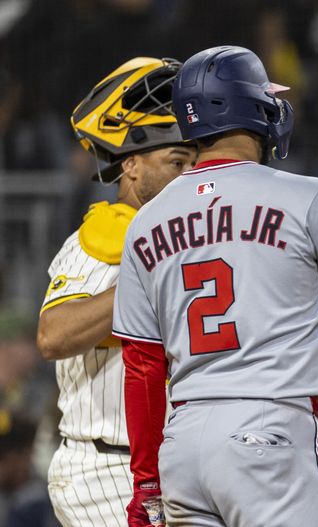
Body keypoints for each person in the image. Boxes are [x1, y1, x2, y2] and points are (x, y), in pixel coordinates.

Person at [110, 45, 318, 527]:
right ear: (255, 109)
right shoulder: (307, 196)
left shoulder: (146, 221)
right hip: (270, 431)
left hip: (184, 444)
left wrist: (147, 483)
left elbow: (142, 367)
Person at [35, 57, 196, 526]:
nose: (188, 175)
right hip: (108, 466)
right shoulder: (109, 233)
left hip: (170, 467)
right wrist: (142, 279)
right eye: (175, 161)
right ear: (130, 165)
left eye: (194, 162)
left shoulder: (187, 236)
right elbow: (53, 336)